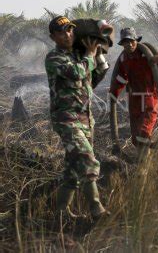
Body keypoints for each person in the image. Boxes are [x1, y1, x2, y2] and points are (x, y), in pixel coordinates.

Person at [45, 16, 110, 220]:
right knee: (86, 159)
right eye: (62, 32)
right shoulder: (54, 58)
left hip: (85, 119)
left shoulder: (78, 56)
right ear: (53, 36)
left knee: (73, 169)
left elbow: (92, 80)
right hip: (66, 119)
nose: (68, 34)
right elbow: (76, 73)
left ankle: (61, 213)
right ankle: (96, 209)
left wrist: (98, 56)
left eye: (70, 30)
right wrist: (90, 56)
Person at [109, 28, 158, 154]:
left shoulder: (146, 54)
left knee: (144, 132)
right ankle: (144, 161)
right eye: (126, 42)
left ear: (136, 40)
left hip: (150, 99)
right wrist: (113, 94)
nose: (129, 44)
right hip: (134, 100)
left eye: (131, 41)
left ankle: (143, 167)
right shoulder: (124, 59)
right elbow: (120, 79)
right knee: (136, 137)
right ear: (122, 44)